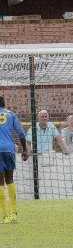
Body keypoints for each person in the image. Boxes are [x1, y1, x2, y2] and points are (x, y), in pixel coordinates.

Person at [0, 96, 29, 224]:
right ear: (4, 103)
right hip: (9, 150)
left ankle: (6, 215)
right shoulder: (11, 114)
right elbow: (21, 133)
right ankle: (13, 213)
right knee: (10, 179)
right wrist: (24, 150)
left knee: (0, 183)